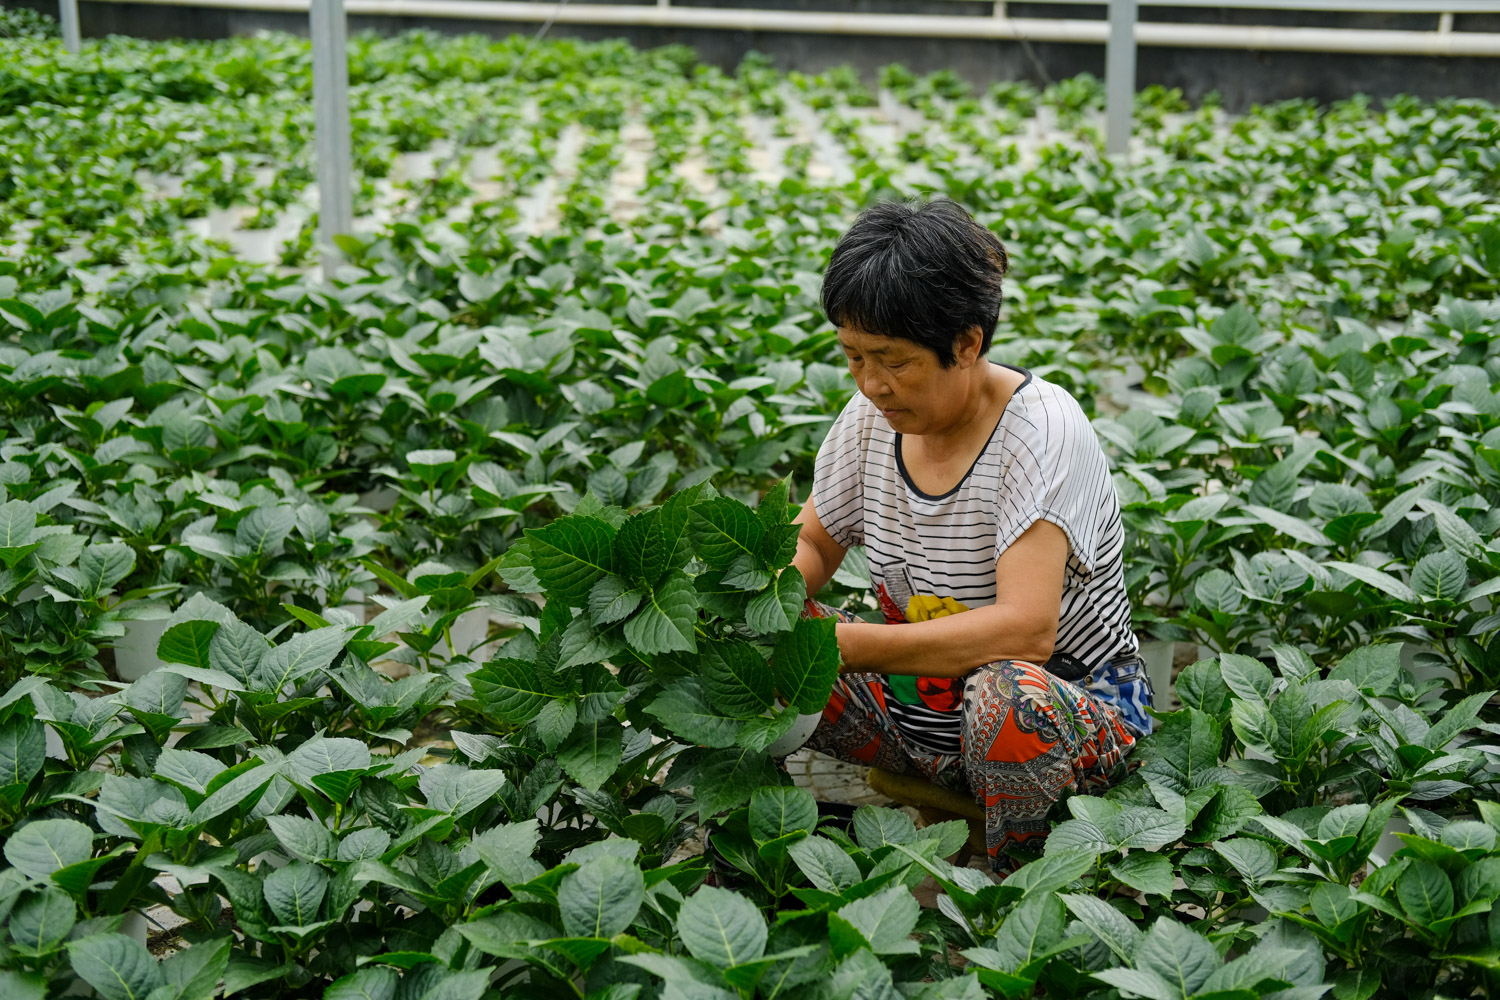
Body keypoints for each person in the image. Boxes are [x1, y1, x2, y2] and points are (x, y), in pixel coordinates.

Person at [790, 198, 1151, 873]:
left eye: (894, 361)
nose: (871, 384)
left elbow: (1026, 632)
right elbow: (811, 545)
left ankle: (1023, 882)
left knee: (1006, 699)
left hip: (1057, 717)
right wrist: (769, 597)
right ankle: (777, 852)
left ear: (966, 344)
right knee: (753, 645)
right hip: (918, 717)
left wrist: (844, 646)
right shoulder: (872, 420)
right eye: (854, 358)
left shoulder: (1040, 434)